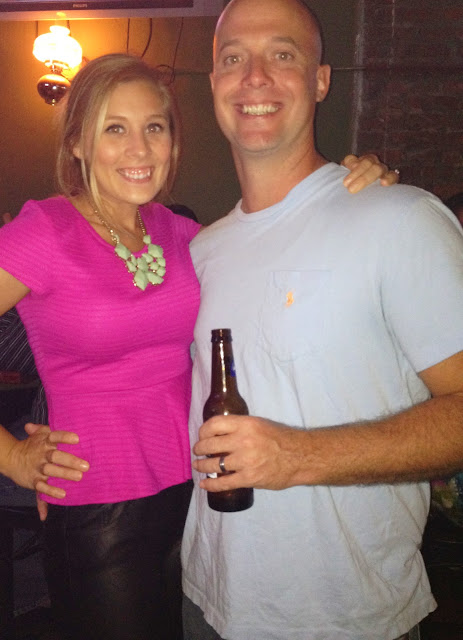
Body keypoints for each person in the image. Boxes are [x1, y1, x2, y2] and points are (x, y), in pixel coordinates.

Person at [0, 51, 395, 639]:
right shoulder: (45, 230)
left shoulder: (182, 234)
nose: (139, 149)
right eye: (115, 129)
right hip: (98, 508)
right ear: (78, 143)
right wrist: (11, 458)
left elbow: (281, 243)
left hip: (195, 496)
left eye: (154, 127)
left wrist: (356, 187)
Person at [181, 1, 463, 639]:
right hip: (208, 602)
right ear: (214, 83)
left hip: (347, 617)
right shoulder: (200, 251)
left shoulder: (399, 219)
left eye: (282, 54)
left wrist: (298, 455)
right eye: (233, 58)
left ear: (321, 80)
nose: (254, 76)